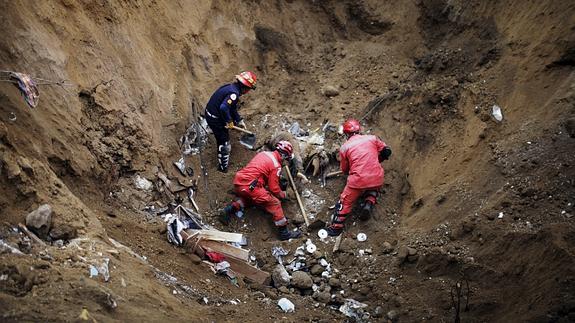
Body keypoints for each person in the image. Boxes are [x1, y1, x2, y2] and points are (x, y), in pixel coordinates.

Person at [219, 141, 302, 241]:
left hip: (240, 183)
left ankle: (229, 210)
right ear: (284, 156)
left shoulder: (264, 153)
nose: (285, 161)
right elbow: (274, 189)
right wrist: (284, 195)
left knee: (251, 199)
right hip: (251, 186)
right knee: (275, 203)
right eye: (286, 159)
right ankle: (284, 233)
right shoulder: (276, 165)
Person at [326, 119, 392, 236]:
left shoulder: (345, 148)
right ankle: (369, 202)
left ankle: (336, 228)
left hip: (358, 180)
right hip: (376, 176)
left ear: (346, 134)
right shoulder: (372, 138)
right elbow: (386, 151)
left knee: (344, 202)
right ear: (359, 130)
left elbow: (345, 169)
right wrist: (378, 160)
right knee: (374, 186)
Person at [204, 71, 257, 172]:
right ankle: (222, 169)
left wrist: (238, 120)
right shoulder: (234, 94)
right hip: (214, 118)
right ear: (246, 88)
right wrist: (229, 121)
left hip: (210, 112)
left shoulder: (231, 87)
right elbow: (224, 108)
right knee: (224, 143)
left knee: (224, 131)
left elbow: (231, 108)